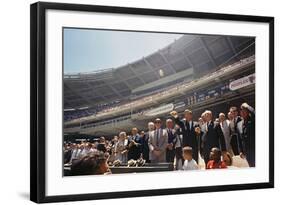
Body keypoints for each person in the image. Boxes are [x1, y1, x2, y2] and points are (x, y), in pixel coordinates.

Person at [240, 103, 255, 167]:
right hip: (247, 151)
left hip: (255, 148)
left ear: (248, 112)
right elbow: (239, 139)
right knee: (251, 166)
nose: (243, 112)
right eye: (242, 111)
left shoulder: (253, 120)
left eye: (245, 111)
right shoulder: (239, 124)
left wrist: (248, 106)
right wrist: (241, 151)